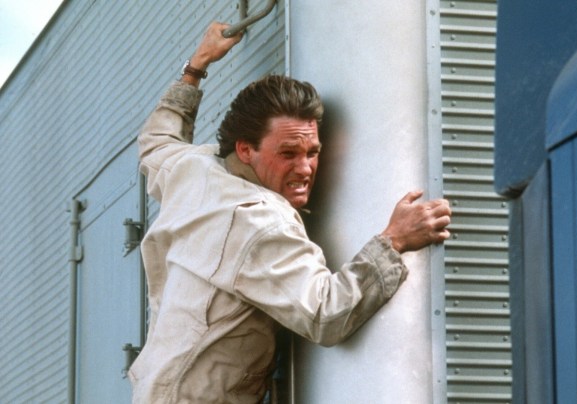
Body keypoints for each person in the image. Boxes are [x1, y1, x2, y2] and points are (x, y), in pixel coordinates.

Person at [129, 22, 452, 403]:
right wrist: (393, 241)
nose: (304, 169)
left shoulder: (194, 169)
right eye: (288, 154)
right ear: (246, 149)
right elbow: (324, 315)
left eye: (312, 152)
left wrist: (197, 65)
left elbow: (156, 142)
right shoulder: (261, 223)